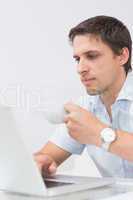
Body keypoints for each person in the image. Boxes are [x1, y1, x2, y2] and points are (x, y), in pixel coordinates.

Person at [34, 15, 133, 178]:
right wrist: (41, 162)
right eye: (77, 59)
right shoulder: (86, 106)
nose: (80, 68)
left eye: (92, 56)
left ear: (122, 56)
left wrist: (100, 133)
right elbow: (47, 155)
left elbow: (95, 131)